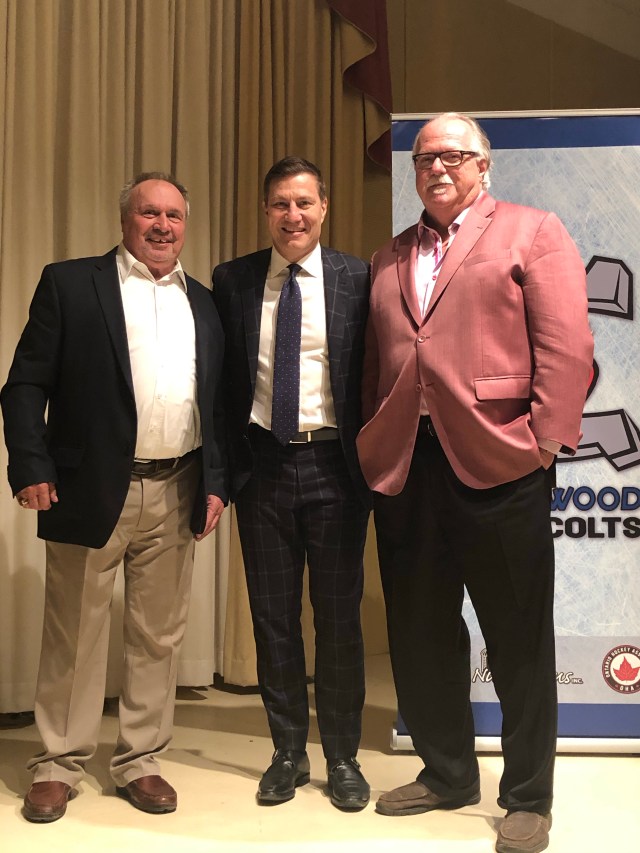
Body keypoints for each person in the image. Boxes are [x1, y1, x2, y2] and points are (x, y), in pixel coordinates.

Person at [357, 113, 593, 853]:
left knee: (518, 638)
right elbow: (379, 361)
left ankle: (527, 796)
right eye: (424, 157)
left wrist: (544, 443)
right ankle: (447, 772)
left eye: (453, 155)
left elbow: (568, 346)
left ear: (483, 165)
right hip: (407, 467)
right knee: (420, 630)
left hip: (501, 463)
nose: (436, 167)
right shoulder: (390, 254)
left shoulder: (532, 231)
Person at [1, 172, 227, 823]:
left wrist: (216, 482)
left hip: (178, 483)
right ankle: (58, 763)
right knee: (74, 631)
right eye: (149, 213)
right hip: (86, 486)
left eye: (173, 215)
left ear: (186, 225)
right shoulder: (71, 284)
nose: (162, 226)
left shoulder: (205, 302)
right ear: (125, 219)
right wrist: (31, 463)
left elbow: (216, 400)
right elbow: (25, 384)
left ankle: (141, 759)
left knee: (158, 636)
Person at [212, 157, 371, 811]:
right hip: (264, 469)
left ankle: (343, 756)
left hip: (336, 468)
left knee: (338, 621)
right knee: (273, 619)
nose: (293, 215)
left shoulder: (358, 278)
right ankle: (287, 753)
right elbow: (220, 385)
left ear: (324, 207)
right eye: (280, 203)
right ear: (265, 210)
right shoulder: (233, 280)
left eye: (304, 202)